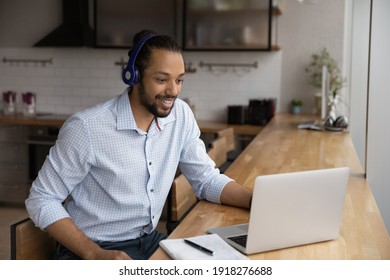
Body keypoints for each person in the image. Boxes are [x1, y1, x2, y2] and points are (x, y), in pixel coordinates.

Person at [25, 30, 252, 260]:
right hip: (92, 250)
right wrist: (95, 254)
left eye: (179, 80)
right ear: (134, 76)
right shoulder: (87, 127)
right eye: (162, 80)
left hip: (147, 242)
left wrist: (255, 200)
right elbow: (41, 198)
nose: (173, 90)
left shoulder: (180, 115)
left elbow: (206, 179)